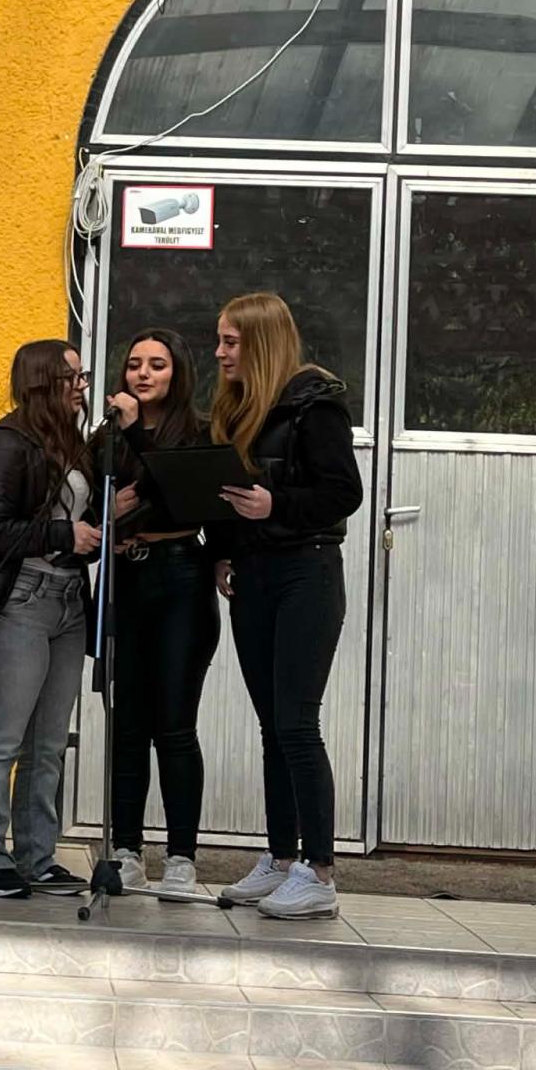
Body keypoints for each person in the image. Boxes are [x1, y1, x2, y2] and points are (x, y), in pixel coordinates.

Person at [210, 292, 363, 919]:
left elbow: (344, 492)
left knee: (297, 723)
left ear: (261, 342)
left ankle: (320, 872)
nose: (219, 353)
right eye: (219, 341)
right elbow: (225, 492)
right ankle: (279, 860)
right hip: (254, 574)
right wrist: (223, 553)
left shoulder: (315, 405)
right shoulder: (239, 408)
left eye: (230, 342)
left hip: (307, 571)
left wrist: (278, 505)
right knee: (273, 725)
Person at [0, 339, 101, 899]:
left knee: (49, 743)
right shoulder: (5, 444)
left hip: (68, 599)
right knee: (2, 739)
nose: (82, 386)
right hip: (17, 601)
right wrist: (65, 534)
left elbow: (77, 514)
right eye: (73, 377)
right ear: (44, 382)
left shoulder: (70, 442)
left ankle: (37, 856)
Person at [100, 328, 221, 897]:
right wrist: (107, 517)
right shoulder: (107, 435)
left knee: (173, 723)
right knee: (127, 722)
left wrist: (135, 436)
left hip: (180, 575)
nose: (142, 374)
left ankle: (181, 857)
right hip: (127, 575)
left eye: (156, 365)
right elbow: (91, 503)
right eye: (134, 364)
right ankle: (126, 849)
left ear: (178, 374)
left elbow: (182, 494)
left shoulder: (198, 431)